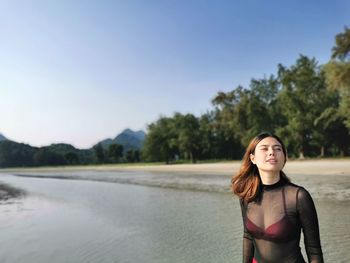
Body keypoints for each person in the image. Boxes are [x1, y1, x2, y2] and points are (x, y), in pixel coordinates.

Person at [231, 132, 323, 263]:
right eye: (264, 148)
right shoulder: (247, 195)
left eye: (277, 149)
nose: (271, 152)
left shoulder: (298, 197)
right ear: (253, 158)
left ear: (284, 157)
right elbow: (248, 236)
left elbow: (314, 251)